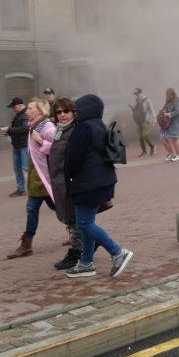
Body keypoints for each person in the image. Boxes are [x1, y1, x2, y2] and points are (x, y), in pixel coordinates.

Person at [64, 94, 133, 278]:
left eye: (77, 109)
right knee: (87, 223)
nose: (74, 112)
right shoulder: (98, 125)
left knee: (84, 223)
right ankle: (86, 262)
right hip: (102, 180)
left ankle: (118, 252)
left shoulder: (83, 129)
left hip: (88, 183)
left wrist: (69, 176)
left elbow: (74, 160)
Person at [7, 98, 56, 260]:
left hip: (44, 177)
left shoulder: (46, 126)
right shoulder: (33, 126)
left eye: (31, 108)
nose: (27, 111)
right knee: (54, 208)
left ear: (40, 111)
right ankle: (77, 231)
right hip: (37, 177)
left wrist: (41, 141)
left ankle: (26, 245)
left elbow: (57, 147)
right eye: (27, 108)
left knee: (35, 208)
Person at [47, 98, 84, 271]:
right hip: (60, 182)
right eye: (59, 112)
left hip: (71, 183)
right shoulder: (59, 131)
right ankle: (90, 243)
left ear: (73, 112)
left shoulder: (74, 131)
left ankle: (76, 252)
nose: (62, 115)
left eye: (65, 111)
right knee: (76, 219)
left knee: (76, 219)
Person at [1, 97, 29, 196]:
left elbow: (25, 129)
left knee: (26, 167)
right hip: (17, 145)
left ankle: (39, 185)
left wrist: (9, 130)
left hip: (24, 145)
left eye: (13, 107)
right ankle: (21, 189)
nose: (12, 109)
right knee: (17, 168)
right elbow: (18, 129)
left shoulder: (25, 115)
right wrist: (9, 132)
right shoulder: (19, 115)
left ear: (18, 106)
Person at [130, 88, 156, 157]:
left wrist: (154, 119)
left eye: (137, 94)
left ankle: (152, 146)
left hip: (145, 120)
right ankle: (144, 151)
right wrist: (131, 107)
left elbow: (151, 110)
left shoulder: (147, 100)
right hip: (138, 121)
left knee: (144, 135)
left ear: (141, 93)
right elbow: (135, 110)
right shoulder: (136, 100)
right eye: (135, 94)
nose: (136, 95)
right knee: (140, 137)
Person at [160, 87, 179, 161]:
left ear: (172, 94)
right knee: (163, 138)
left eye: (168, 94)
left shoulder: (176, 101)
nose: (167, 96)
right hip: (166, 123)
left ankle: (178, 155)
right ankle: (171, 153)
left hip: (174, 123)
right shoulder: (167, 101)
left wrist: (168, 114)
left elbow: (178, 111)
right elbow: (163, 109)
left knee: (174, 139)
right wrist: (161, 112)